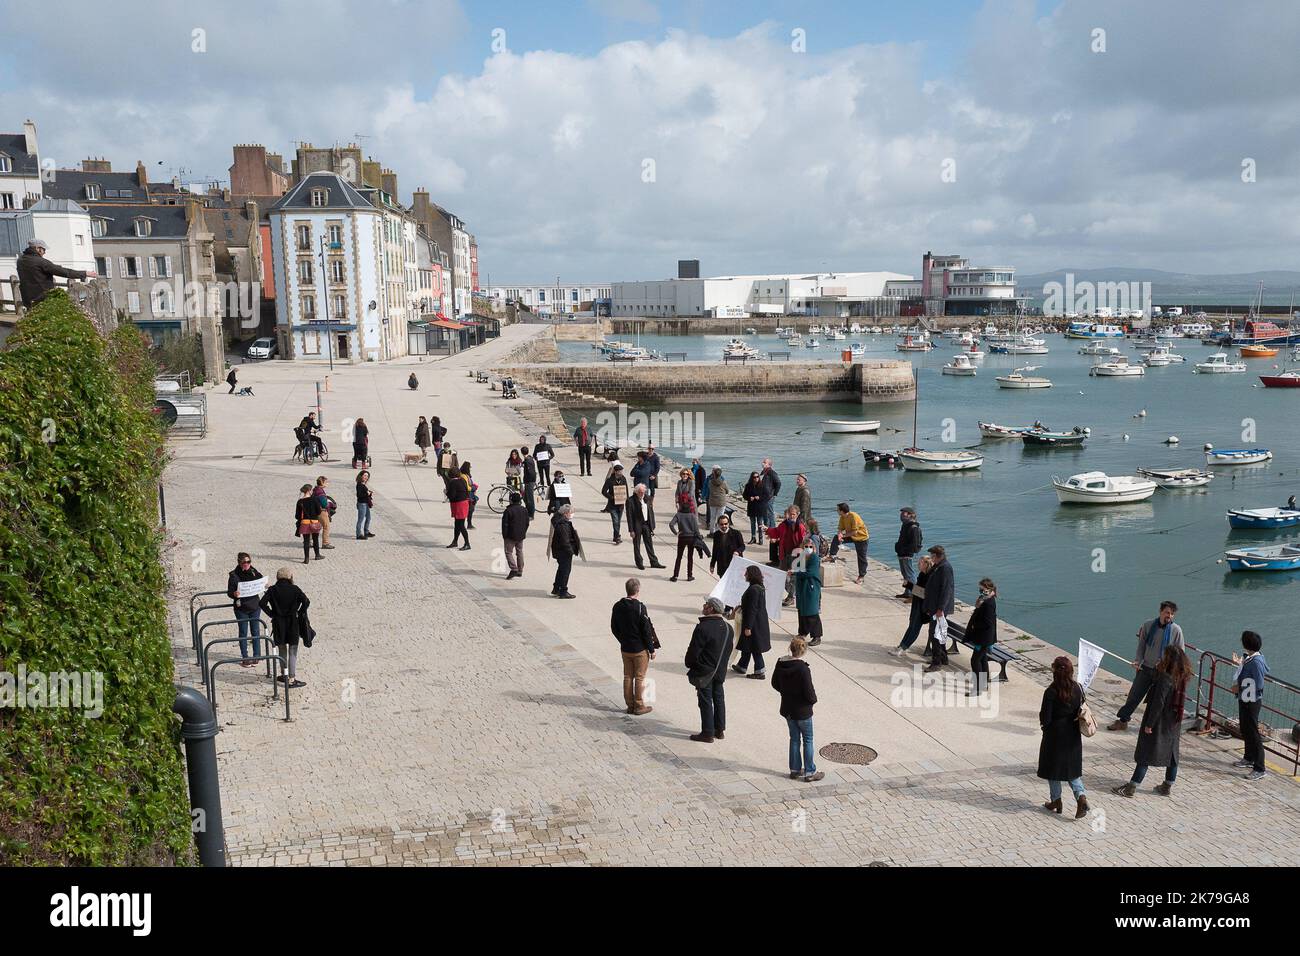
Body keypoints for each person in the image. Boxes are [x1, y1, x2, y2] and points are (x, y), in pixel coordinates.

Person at [1113, 645, 1191, 798]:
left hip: (1159, 721)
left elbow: (1158, 703)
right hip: (1173, 721)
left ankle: (1131, 787)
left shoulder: (1165, 678)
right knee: (1172, 753)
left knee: (1146, 752)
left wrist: (1149, 724)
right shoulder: (1181, 676)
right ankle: (1167, 785)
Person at [1108, 601, 1185, 731]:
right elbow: (1142, 645)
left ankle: (1154, 726)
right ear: (1160, 611)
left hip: (1164, 672)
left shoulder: (1176, 630)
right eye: (1167, 612)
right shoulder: (1148, 625)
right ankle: (1123, 720)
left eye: (1172, 614)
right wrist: (1138, 660)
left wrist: (1171, 667)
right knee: (1134, 695)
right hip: (1146, 668)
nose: (1170, 616)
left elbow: (1180, 652)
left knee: (1159, 700)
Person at [1038, 656, 1089, 819]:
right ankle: (1081, 797)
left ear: (1055, 671)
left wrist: (1044, 727)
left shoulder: (1051, 691)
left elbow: (1045, 718)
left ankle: (1056, 801)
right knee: (1071, 770)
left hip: (1055, 735)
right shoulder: (1078, 688)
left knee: (1053, 769)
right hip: (1073, 734)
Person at [772, 637, 823, 782]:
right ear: (803, 651)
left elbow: (774, 683)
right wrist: (813, 701)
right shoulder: (803, 669)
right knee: (808, 739)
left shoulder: (780, 663)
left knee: (794, 739)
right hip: (802, 710)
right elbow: (809, 693)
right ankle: (809, 772)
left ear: (791, 648)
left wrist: (785, 692)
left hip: (788, 708)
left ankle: (794, 769)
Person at [684, 597, 734, 743]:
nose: (704, 606)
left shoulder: (703, 627)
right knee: (718, 699)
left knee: (705, 701)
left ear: (711, 608)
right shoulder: (727, 628)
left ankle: (707, 733)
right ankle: (719, 729)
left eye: (706, 604)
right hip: (719, 670)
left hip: (705, 671)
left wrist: (691, 664)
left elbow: (694, 651)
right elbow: (728, 650)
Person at [611, 578, 657, 715]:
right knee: (640, 677)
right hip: (639, 649)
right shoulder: (640, 607)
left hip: (625, 648)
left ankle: (630, 705)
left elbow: (614, 627)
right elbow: (646, 630)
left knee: (628, 676)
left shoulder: (618, 606)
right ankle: (639, 705)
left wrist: (623, 640)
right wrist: (651, 649)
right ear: (637, 590)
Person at [259, 567, 310, 689]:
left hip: (278, 623)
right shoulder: (295, 589)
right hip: (293, 622)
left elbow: (262, 604)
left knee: (282, 650)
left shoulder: (272, 590)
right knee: (293, 652)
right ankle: (291, 679)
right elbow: (306, 601)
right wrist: (299, 611)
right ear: (290, 577)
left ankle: (284, 675)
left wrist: (272, 613)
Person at [1232, 631, 1269, 780]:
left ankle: (1260, 768)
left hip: (1252, 701)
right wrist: (1239, 663)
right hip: (1245, 698)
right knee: (1245, 729)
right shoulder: (1250, 658)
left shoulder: (1256, 662)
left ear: (1247, 644)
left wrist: (1239, 687)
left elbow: (1258, 684)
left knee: (1253, 733)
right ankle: (1248, 758)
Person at [16, 238, 90, 309]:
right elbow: (63, 272)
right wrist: (84, 273)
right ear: (38, 248)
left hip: (27, 298)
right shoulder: (40, 262)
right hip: (42, 298)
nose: (45, 252)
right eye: (44, 249)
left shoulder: (20, 261)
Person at [922, 545, 955, 672]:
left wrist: (941, 608)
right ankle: (943, 657)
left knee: (935, 634)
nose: (931, 558)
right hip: (935, 606)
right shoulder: (938, 567)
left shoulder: (945, 568)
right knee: (939, 632)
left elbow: (947, 590)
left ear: (937, 556)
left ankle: (936, 663)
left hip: (939, 608)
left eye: (932, 556)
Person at [227, 552, 264, 666]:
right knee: (243, 632)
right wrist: (234, 593)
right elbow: (229, 592)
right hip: (241, 608)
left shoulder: (254, 572)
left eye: (249, 562)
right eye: (244, 562)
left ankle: (257, 655)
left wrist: (265, 584)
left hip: (254, 606)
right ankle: (245, 657)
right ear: (239, 563)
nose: (247, 564)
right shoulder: (234, 575)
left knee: (255, 631)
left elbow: (261, 581)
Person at [892, 555, 933, 656]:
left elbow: (924, 594)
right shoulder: (922, 574)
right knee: (911, 625)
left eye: (920, 562)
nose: (918, 564)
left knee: (914, 627)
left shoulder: (929, 577)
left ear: (926, 564)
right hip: (916, 604)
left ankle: (903, 648)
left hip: (922, 607)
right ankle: (901, 645)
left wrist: (909, 585)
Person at [767, 505, 807, 607]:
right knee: (782, 576)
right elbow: (776, 532)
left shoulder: (801, 527)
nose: (791, 516)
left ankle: (791, 596)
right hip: (784, 555)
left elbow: (804, 542)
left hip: (796, 556)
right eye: (790, 514)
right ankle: (793, 594)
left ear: (797, 515)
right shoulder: (784, 525)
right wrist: (767, 530)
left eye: (793, 514)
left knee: (793, 577)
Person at [733, 565, 770, 678]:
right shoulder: (759, 587)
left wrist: (748, 627)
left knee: (755, 647)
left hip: (754, 624)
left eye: (747, 573)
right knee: (747, 645)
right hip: (757, 622)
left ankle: (760, 671)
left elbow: (752, 609)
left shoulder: (754, 589)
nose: (745, 575)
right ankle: (742, 666)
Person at [965, 579, 998, 696]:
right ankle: (983, 684)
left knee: (975, 660)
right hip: (984, 637)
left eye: (982, 589)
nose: (980, 591)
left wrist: (975, 625)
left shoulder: (989, 603)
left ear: (988, 589)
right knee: (982, 658)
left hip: (983, 638)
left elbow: (988, 623)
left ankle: (978, 688)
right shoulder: (986, 599)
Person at [792, 541, 823, 647]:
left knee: (811, 611)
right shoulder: (801, 557)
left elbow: (810, 572)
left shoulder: (814, 558)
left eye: (810, 546)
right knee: (801, 610)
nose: (808, 548)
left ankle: (816, 636)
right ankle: (803, 632)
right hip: (802, 587)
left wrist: (795, 572)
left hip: (811, 586)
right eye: (806, 546)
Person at [627, 483, 665, 571]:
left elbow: (651, 512)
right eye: (640, 492)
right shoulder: (630, 500)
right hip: (637, 525)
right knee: (637, 544)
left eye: (643, 492)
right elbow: (629, 516)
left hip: (646, 524)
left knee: (649, 543)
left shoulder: (647, 498)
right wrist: (631, 530)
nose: (642, 494)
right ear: (636, 492)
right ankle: (639, 562)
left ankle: (654, 562)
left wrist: (652, 525)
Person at [548, 503, 581, 598]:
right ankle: (563, 591)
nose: (572, 514)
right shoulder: (563, 525)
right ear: (566, 513)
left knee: (561, 570)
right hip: (563, 552)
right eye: (571, 512)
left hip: (559, 550)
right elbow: (565, 541)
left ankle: (556, 588)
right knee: (565, 571)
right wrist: (571, 551)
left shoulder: (558, 520)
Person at [831, 502, 870, 583]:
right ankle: (832, 555)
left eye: (837, 510)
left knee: (861, 557)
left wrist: (843, 536)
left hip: (861, 538)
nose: (836, 511)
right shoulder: (842, 517)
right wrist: (839, 535)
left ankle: (861, 576)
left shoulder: (853, 516)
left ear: (842, 511)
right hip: (851, 536)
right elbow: (840, 528)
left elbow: (854, 532)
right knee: (836, 538)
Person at [668, 499, 701, 582]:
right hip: (691, 538)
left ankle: (675, 576)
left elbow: (671, 524)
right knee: (690, 557)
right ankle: (689, 575)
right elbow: (696, 529)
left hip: (682, 537)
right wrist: (699, 536)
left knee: (679, 557)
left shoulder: (678, 515)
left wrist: (676, 533)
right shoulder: (692, 515)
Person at [500, 491, 530, 579]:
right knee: (519, 551)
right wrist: (523, 532)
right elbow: (527, 523)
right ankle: (520, 570)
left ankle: (514, 568)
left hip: (510, 535)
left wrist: (505, 535)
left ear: (511, 500)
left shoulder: (508, 511)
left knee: (508, 552)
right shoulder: (524, 509)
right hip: (521, 535)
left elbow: (505, 525)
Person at [894, 507, 923, 598]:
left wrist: (904, 550)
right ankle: (908, 592)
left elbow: (915, 544)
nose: (901, 515)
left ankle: (917, 595)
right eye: (901, 514)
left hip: (907, 554)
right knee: (905, 574)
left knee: (910, 574)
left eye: (904, 514)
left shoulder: (913, 528)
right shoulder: (905, 525)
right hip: (902, 553)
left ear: (911, 515)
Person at [709, 513, 746, 582]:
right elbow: (715, 550)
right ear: (718, 525)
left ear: (728, 523)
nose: (724, 526)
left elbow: (742, 546)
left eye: (725, 524)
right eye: (721, 524)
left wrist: (737, 551)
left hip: (734, 564)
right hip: (722, 565)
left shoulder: (736, 533)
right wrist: (712, 565)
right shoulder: (716, 535)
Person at [294, 484, 324, 563]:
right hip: (314, 522)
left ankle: (306, 558)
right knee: (315, 539)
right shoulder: (314, 499)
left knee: (306, 541)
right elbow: (319, 511)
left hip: (304, 523)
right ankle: (317, 555)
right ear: (309, 491)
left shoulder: (300, 501)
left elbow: (297, 516)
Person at [446, 463, 473, 550]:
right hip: (464, 503)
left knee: (461, 525)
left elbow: (452, 495)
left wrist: (446, 492)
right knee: (457, 524)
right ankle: (455, 541)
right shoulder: (462, 480)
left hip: (459, 505)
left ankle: (467, 543)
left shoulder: (453, 482)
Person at [600, 462, 629, 544]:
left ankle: (615, 536)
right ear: (616, 471)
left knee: (618, 522)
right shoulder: (609, 480)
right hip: (612, 505)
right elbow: (604, 491)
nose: (621, 473)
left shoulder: (623, 479)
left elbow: (626, 490)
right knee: (615, 521)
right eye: (620, 471)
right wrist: (611, 497)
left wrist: (627, 500)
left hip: (621, 505)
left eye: (622, 471)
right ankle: (617, 537)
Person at [312, 476, 337, 549]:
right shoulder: (320, 492)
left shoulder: (315, 490)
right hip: (322, 511)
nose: (327, 483)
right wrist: (330, 503)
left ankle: (311, 541)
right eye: (326, 482)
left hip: (316, 511)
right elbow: (324, 504)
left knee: (316, 527)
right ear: (322, 482)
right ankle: (325, 543)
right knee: (326, 526)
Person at [758, 458, 782, 529]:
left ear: (769, 464)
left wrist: (774, 493)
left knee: (770, 512)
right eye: (763, 462)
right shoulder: (764, 472)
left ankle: (772, 527)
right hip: (764, 496)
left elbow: (778, 483)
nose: (763, 463)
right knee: (765, 512)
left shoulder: (771, 472)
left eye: (764, 462)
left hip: (769, 496)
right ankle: (767, 527)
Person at [742, 470, 764, 543]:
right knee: (752, 523)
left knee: (760, 523)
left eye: (757, 477)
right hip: (751, 506)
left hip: (760, 507)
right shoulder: (748, 485)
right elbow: (744, 495)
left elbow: (766, 495)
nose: (756, 478)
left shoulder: (762, 485)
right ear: (752, 478)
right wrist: (749, 498)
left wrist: (759, 497)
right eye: (754, 477)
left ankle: (761, 538)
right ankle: (753, 537)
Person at [705, 466, 729, 531]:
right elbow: (727, 491)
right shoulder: (723, 483)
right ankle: (719, 531)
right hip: (721, 502)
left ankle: (712, 532)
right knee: (720, 517)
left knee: (712, 518)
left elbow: (709, 489)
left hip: (712, 501)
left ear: (714, 474)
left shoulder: (710, 482)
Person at [355, 470, 374, 540]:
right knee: (360, 519)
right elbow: (359, 495)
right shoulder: (359, 484)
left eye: (367, 476)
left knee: (368, 518)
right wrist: (367, 493)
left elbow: (364, 493)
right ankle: (358, 534)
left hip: (365, 503)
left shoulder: (363, 484)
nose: (366, 477)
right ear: (361, 476)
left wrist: (369, 493)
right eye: (365, 475)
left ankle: (366, 531)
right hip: (362, 504)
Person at [521, 445, 538, 519]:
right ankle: (528, 512)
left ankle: (531, 515)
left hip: (529, 482)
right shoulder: (529, 459)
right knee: (525, 497)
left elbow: (531, 473)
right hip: (530, 481)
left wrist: (529, 482)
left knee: (530, 499)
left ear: (522, 453)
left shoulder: (528, 461)